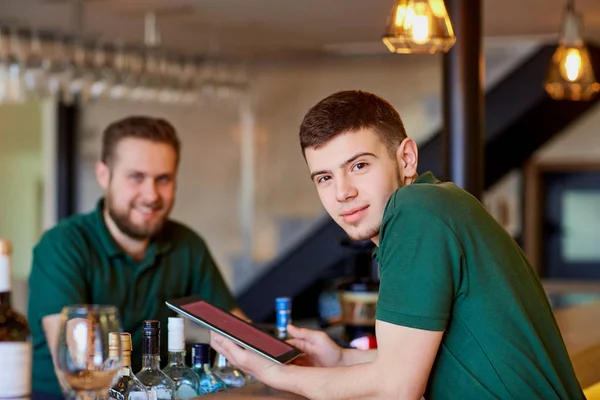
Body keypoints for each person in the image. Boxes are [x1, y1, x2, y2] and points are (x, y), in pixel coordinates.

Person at [210, 90, 585, 399]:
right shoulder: (436, 206)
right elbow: (412, 363)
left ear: (405, 158)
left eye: (359, 166)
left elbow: (397, 389)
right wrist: (339, 359)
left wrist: (276, 374)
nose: (343, 192)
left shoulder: (415, 211)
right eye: (324, 177)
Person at [28, 116, 242, 399]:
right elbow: (79, 363)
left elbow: (237, 329)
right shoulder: (62, 245)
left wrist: (286, 361)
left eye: (163, 179)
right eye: (136, 177)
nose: (151, 195)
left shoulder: (186, 245)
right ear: (104, 175)